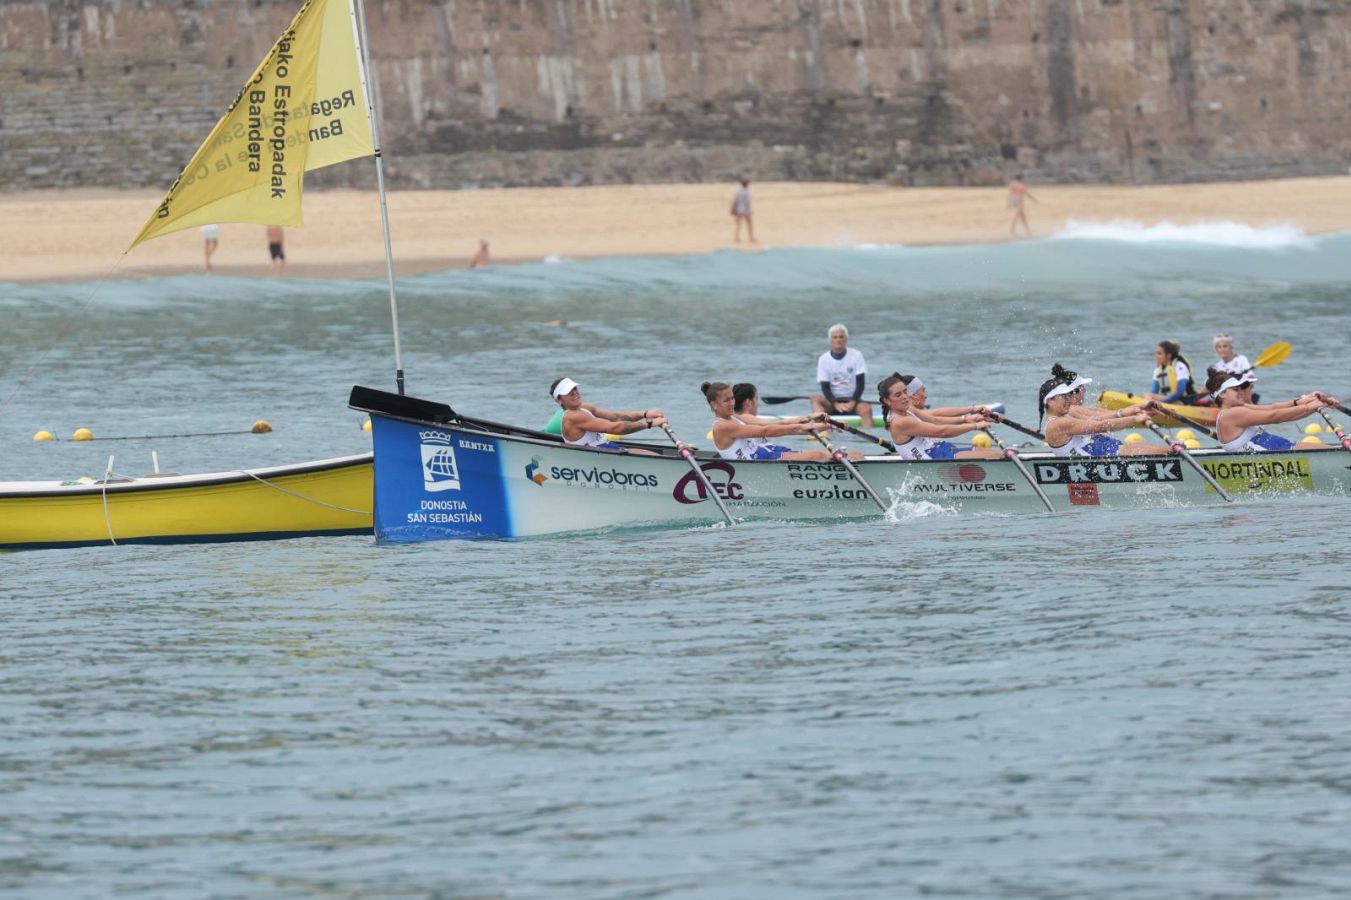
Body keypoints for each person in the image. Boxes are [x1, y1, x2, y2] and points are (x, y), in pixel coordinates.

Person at [1039, 368, 1165, 457]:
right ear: (1050, 401)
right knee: (1164, 451)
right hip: (1091, 459)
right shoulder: (1058, 423)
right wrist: (1133, 418)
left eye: (1068, 395)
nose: (1068, 399)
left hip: (1095, 450)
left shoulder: (1064, 415)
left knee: (1156, 449)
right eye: (1064, 396)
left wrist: (1134, 410)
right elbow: (1100, 425)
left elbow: (1097, 416)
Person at [1206, 370, 1337, 453]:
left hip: (1281, 447)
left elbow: (1274, 408)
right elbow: (1275, 417)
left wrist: (1307, 401)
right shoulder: (1231, 414)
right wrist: (1312, 405)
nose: (1241, 392)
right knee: (1330, 451)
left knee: (1328, 449)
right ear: (1222, 394)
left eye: (1241, 388)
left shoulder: (1240, 408)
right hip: (1279, 455)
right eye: (1235, 389)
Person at [877, 373, 1000, 460]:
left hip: (940, 451)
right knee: (995, 457)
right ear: (887, 401)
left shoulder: (908, 409)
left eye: (905, 392)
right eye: (898, 395)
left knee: (991, 453)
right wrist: (975, 426)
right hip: (932, 461)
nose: (904, 397)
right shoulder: (900, 422)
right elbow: (941, 431)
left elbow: (934, 419)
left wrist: (968, 416)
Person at [703, 382, 836, 461]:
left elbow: (778, 424)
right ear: (714, 405)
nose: (732, 403)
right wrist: (802, 428)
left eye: (732, 398)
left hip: (765, 453)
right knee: (817, 455)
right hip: (757, 462)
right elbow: (765, 431)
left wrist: (810, 419)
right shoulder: (723, 426)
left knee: (828, 455)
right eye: (727, 400)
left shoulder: (736, 417)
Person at [551, 377, 666, 455]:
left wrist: (645, 414)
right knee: (660, 459)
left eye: (574, 388)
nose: (574, 392)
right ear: (559, 400)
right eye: (568, 391)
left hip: (606, 451)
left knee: (659, 457)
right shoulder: (573, 417)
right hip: (595, 459)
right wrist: (649, 423)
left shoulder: (585, 407)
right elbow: (613, 428)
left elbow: (616, 417)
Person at [810, 324, 872, 427]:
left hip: (853, 400)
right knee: (814, 398)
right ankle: (821, 430)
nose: (838, 340)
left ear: (846, 339)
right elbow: (825, 388)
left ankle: (869, 437)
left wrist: (852, 402)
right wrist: (835, 404)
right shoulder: (823, 359)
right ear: (830, 340)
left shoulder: (857, 355)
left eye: (841, 337)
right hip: (831, 402)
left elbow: (861, 385)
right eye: (835, 337)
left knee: (866, 408)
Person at [1146, 340, 1196, 404]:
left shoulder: (1179, 366)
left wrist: (1164, 402)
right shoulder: (1158, 370)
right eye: (1156, 353)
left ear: (1168, 355)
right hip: (1169, 400)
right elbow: (1154, 391)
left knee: (1149, 395)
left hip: (1185, 400)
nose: (1156, 356)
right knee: (1148, 395)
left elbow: (1180, 392)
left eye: (1159, 353)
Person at [730, 178, 755, 243]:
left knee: (738, 225)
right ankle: (751, 237)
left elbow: (735, 201)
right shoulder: (747, 192)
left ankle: (736, 237)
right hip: (746, 210)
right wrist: (750, 210)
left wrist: (733, 209)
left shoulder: (739, 192)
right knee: (749, 224)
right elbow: (747, 202)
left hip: (739, 210)